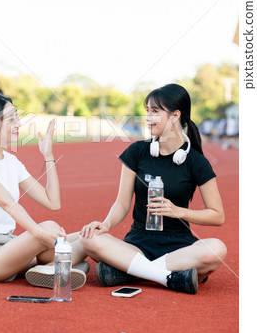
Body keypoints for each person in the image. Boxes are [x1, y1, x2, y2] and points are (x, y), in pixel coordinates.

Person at [80, 83, 227, 294]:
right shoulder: (137, 151)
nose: (148, 117)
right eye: (147, 111)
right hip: (138, 243)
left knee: (217, 249)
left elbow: (217, 215)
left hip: (180, 246)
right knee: (90, 239)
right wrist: (106, 224)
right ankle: (168, 277)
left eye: (155, 111)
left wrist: (179, 211)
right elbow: (122, 203)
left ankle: (129, 271)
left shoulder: (196, 162)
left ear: (175, 115)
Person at [0, 93, 87, 287]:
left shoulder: (12, 162)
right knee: (50, 228)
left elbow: (52, 202)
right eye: (10, 119)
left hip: (9, 246)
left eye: (16, 117)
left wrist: (48, 155)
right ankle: (50, 266)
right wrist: (41, 234)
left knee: (85, 239)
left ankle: (46, 268)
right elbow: (6, 202)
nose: (18, 123)